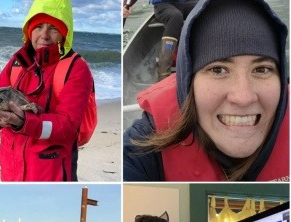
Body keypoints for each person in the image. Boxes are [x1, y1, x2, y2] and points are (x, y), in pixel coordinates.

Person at [123, 0, 289, 182]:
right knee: (175, 17)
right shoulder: (143, 144)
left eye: (262, 69)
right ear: (189, 80)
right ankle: (163, 67)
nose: (243, 98)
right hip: (165, 6)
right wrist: (128, 5)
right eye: (218, 70)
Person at [0, 0, 93, 181]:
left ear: (65, 34)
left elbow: (68, 127)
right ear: (29, 30)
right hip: (9, 170)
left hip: (50, 173)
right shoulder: (16, 62)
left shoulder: (77, 69)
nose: (44, 35)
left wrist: (24, 123)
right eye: (38, 26)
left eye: (54, 28)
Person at [123, 0, 197, 81]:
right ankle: (163, 73)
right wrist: (124, 6)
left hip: (183, 4)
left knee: (207, 7)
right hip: (163, 6)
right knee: (175, 16)